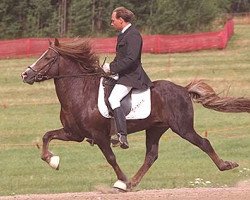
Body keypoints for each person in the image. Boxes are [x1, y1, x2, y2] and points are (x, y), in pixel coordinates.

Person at [102, 7, 153, 149]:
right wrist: (107, 68)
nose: (111, 23)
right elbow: (120, 58)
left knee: (113, 99)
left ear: (121, 20)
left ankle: (121, 135)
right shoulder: (123, 34)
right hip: (122, 74)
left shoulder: (133, 35)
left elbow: (131, 59)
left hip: (132, 76)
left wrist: (112, 68)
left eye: (113, 21)